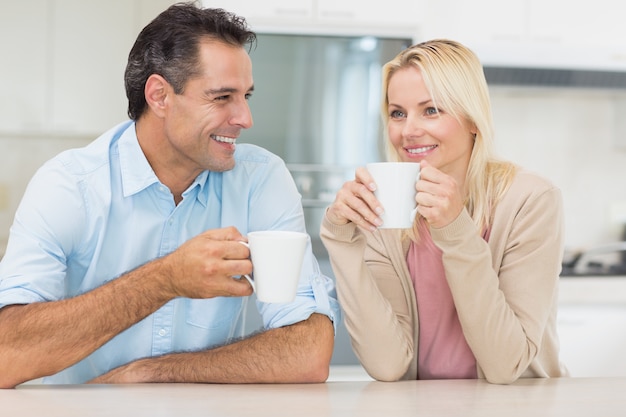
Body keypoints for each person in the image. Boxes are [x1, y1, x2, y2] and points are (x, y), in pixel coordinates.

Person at [0, 2, 339, 388]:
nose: (245, 119)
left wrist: (153, 371)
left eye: (246, 96)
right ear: (159, 96)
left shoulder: (261, 180)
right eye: (222, 97)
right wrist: (164, 280)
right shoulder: (70, 186)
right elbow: (5, 357)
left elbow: (309, 353)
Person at [319, 39, 568, 384]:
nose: (408, 131)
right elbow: (388, 365)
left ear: (473, 120)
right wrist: (342, 240)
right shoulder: (390, 211)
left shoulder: (531, 199)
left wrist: (455, 229)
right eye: (398, 113)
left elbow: (505, 365)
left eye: (431, 110)